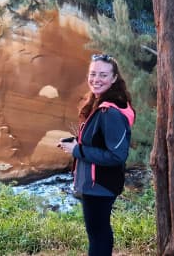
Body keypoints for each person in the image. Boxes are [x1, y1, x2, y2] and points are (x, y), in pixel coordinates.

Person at [58, 54, 135, 256]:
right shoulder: (103, 103)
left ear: (114, 78)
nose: (96, 79)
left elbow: (117, 155)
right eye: (93, 74)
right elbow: (100, 139)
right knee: (100, 231)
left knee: (98, 234)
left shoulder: (110, 112)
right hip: (98, 182)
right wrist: (76, 142)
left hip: (100, 184)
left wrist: (77, 150)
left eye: (103, 74)